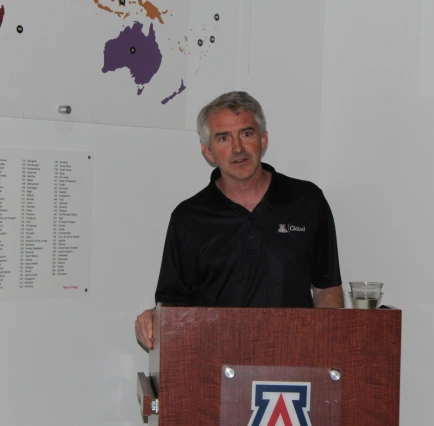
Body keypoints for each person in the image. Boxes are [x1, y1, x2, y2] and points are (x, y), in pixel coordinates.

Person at [135, 91, 343, 350]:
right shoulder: (188, 217)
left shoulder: (307, 201)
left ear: (263, 139)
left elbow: (327, 290)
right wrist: (154, 318)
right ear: (208, 151)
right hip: (214, 366)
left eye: (246, 134)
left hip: (293, 367)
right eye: (223, 138)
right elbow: (173, 304)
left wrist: (329, 350)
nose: (237, 148)